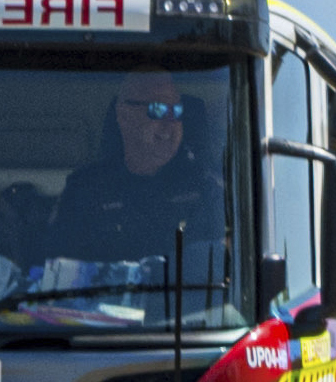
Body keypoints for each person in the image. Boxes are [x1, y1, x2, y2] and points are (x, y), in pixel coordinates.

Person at [46, 70, 227, 268]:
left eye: (176, 112)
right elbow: (58, 273)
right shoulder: (85, 191)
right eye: (157, 110)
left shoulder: (206, 192)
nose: (170, 124)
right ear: (124, 115)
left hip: (177, 298)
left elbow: (222, 273)